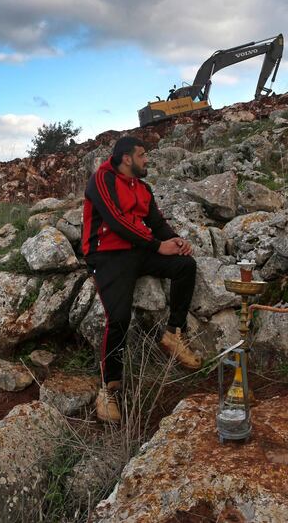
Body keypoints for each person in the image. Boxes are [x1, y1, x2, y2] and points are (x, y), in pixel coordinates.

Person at [82, 136, 201, 423]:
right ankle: (109, 389)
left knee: (185, 265)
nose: (147, 159)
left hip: (138, 250)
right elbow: (116, 220)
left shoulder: (142, 187)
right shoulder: (101, 180)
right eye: (142, 155)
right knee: (119, 317)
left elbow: (156, 223)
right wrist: (157, 246)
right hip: (108, 255)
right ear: (126, 158)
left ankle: (174, 333)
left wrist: (174, 240)